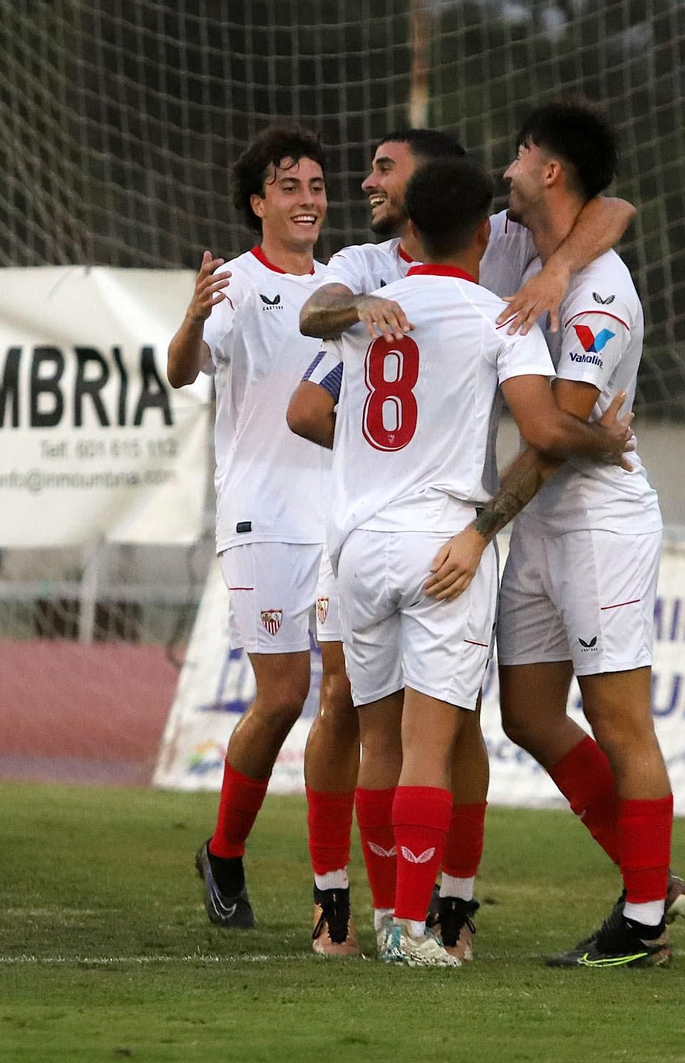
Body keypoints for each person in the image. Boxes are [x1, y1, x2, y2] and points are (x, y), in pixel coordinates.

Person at [290, 126, 636, 961]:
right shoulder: (498, 316)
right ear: (485, 236)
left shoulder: (364, 310)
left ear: (407, 230)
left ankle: (375, 918)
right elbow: (544, 428)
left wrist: (352, 313)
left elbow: (313, 329)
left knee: (377, 738)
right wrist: (605, 440)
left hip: (358, 545)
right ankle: (416, 925)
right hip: (444, 545)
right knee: (434, 744)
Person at [465, 101, 685, 967]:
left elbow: (555, 438)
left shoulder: (605, 293)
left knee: (618, 718)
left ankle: (641, 921)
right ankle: (652, 878)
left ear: (550, 171)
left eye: (521, 151)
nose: (508, 163)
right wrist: (552, 264)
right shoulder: (520, 245)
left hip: (598, 519)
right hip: (547, 520)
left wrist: (481, 530)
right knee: (526, 713)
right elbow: (610, 206)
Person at [165, 126, 358, 952]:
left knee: (343, 697)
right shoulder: (236, 284)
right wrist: (189, 316)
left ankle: (332, 895)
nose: (309, 197)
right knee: (281, 697)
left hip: (341, 516)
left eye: (317, 184)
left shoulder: (346, 284)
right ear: (259, 201)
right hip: (260, 514)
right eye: (290, 185)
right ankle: (224, 853)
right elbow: (179, 371)